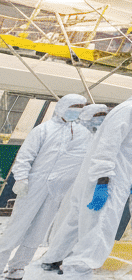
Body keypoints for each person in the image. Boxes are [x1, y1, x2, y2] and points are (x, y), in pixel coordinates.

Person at [38, 73, 132, 280]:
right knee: (99, 227)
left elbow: (126, 152)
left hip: (106, 176)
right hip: (106, 180)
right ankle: (78, 270)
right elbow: (107, 147)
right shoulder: (131, 110)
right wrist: (103, 180)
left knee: (76, 222)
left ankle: (54, 258)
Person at [0, 94, 87, 279]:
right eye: (74, 106)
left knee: (38, 232)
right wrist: (21, 178)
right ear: (62, 106)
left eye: (80, 107)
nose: (77, 110)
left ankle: (17, 268)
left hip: (57, 190)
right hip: (34, 185)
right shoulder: (43, 129)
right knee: (16, 228)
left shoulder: (81, 133)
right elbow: (25, 156)